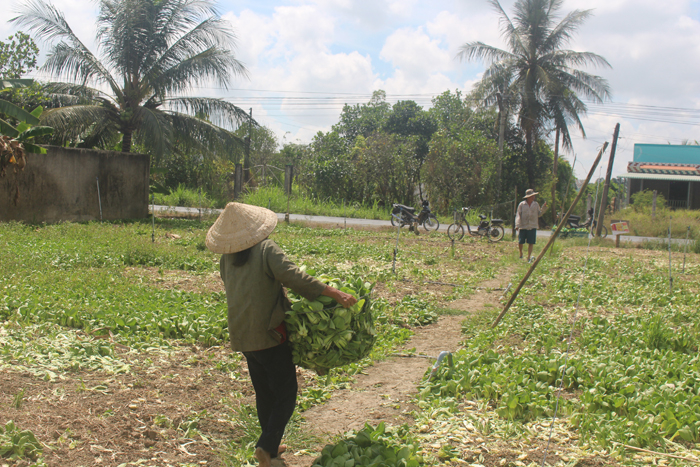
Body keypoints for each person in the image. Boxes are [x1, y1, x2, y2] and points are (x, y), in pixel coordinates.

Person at [206, 202, 357, 467]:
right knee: (287, 392)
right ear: (256, 228)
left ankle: (271, 448)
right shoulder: (266, 249)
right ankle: (266, 447)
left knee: (265, 392)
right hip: (269, 334)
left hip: (242, 335)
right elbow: (293, 276)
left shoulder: (227, 259)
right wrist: (334, 293)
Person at [515, 189, 547, 263]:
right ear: (528, 197)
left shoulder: (535, 204)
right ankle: (521, 253)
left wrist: (544, 208)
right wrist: (517, 224)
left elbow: (539, 214)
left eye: (533, 196)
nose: (533, 197)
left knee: (531, 242)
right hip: (523, 225)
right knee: (520, 241)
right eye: (532, 196)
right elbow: (518, 215)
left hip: (532, 225)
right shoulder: (522, 204)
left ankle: (529, 256)